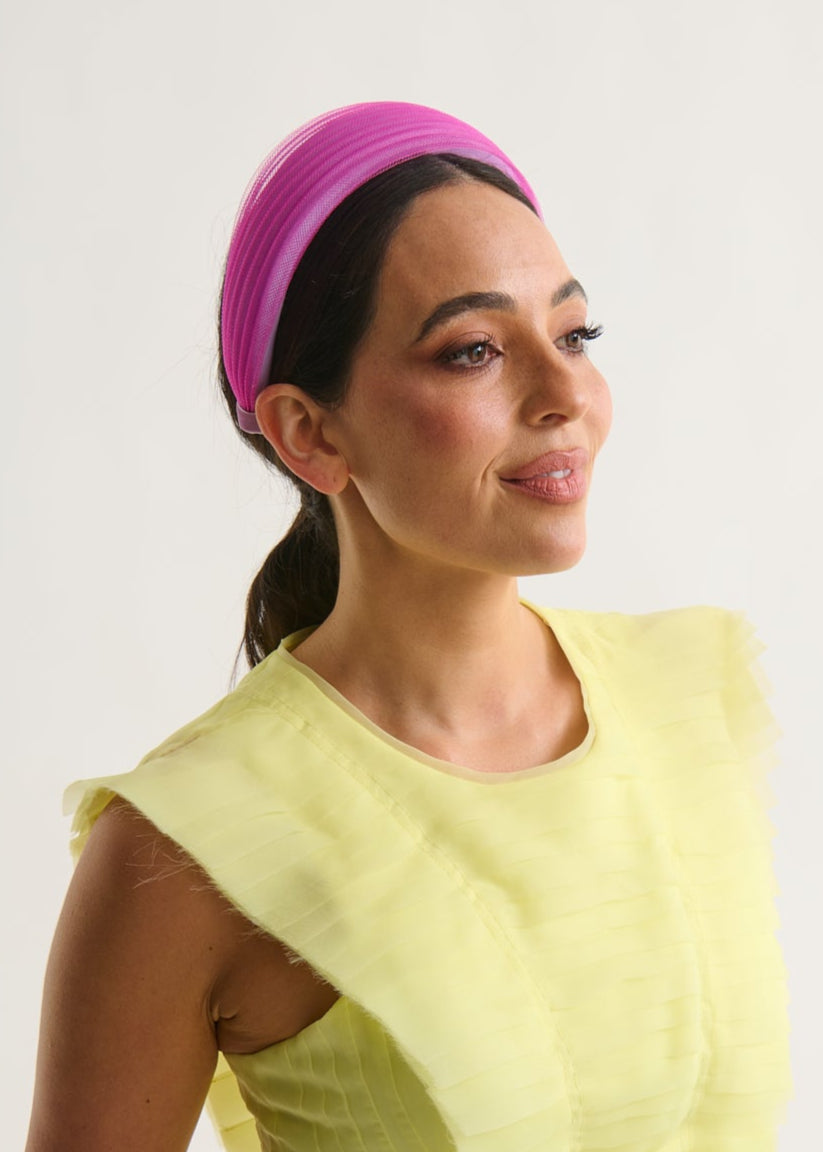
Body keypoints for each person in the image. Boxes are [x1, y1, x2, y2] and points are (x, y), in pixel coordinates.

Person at [26, 102, 791, 1152]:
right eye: (474, 350)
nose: (565, 391)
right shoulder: (189, 845)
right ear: (310, 432)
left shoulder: (689, 697)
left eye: (575, 334)